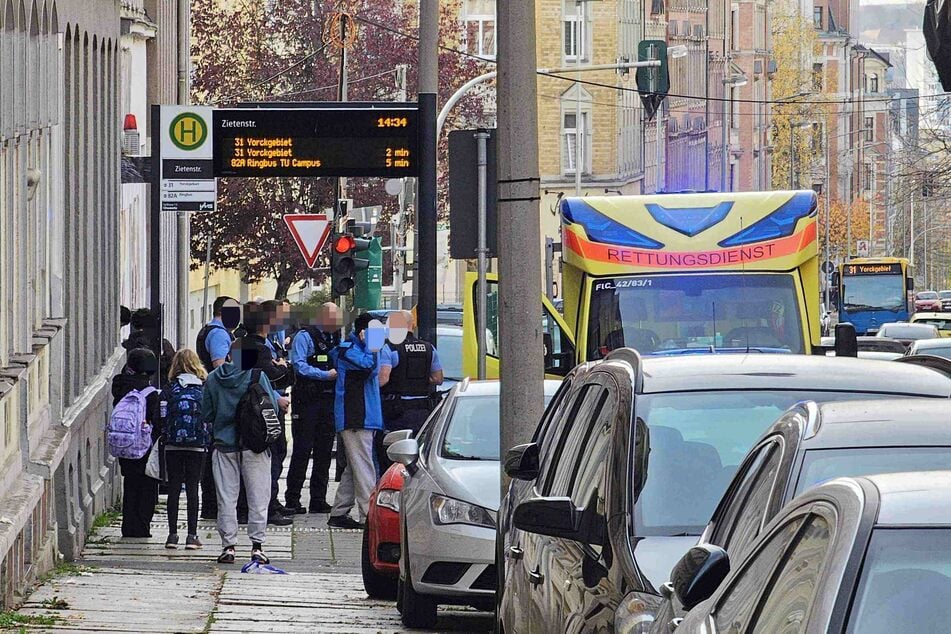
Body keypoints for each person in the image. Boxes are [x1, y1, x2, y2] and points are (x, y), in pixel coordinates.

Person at [202, 338, 288, 565]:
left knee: (226, 497)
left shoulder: (212, 379)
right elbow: (269, 408)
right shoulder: (258, 376)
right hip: (254, 445)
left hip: (224, 445)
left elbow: (207, 414)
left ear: (229, 355)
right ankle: (257, 546)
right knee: (258, 496)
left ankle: (228, 547)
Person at [327, 313, 383, 530]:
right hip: (356, 416)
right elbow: (370, 369)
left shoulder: (358, 349)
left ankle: (339, 512)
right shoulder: (347, 350)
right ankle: (369, 516)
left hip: (363, 416)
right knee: (364, 467)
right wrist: (372, 346)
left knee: (354, 467)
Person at [244, 301, 295, 526]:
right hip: (262, 409)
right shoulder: (259, 347)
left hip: (257, 406)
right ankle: (268, 505)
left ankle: (267, 503)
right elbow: (270, 376)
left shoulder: (244, 344)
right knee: (272, 455)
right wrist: (284, 366)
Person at [285, 302, 340, 515]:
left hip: (327, 401)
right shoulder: (304, 337)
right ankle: (293, 499)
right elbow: (298, 365)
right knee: (302, 450)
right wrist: (325, 375)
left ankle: (318, 499)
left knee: (324, 451)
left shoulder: (334, 337)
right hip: (307, 400)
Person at [378, 311, 444, 470]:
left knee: (394, 456)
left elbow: (383, 379)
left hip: (397, 412)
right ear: (412, 325)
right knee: (418, 455)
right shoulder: (429, 348)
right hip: (423, 412)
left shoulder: (390, 348)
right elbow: (438, 379)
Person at [160, 349, 209, 550]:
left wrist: (164, 432)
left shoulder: (170, 388)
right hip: (197, 445)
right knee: (192, 489)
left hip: (173, 444)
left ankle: (172, 535)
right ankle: (192, 535)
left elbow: (161, 414)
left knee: (173, 489)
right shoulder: (203, 387)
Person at [111, 348, 162, 538]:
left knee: (130, 485)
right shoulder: (150, 393)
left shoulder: (120, 386)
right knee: (147, 486)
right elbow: (155, 420)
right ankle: (142, 526)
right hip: (144, 446)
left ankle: (128, 525)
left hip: (125, 444)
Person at [196, 296, 239, 521]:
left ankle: (211, 504)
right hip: (218, 397)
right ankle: (212, 505)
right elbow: (220, 366)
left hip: (212, 394)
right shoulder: (219, 334)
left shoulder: (209, 330)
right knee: (217, 454)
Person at [122, 307, 175, 388]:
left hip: (132, 387)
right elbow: (172, 365)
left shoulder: (129, 343)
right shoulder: (162, 344)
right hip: (159, 387)